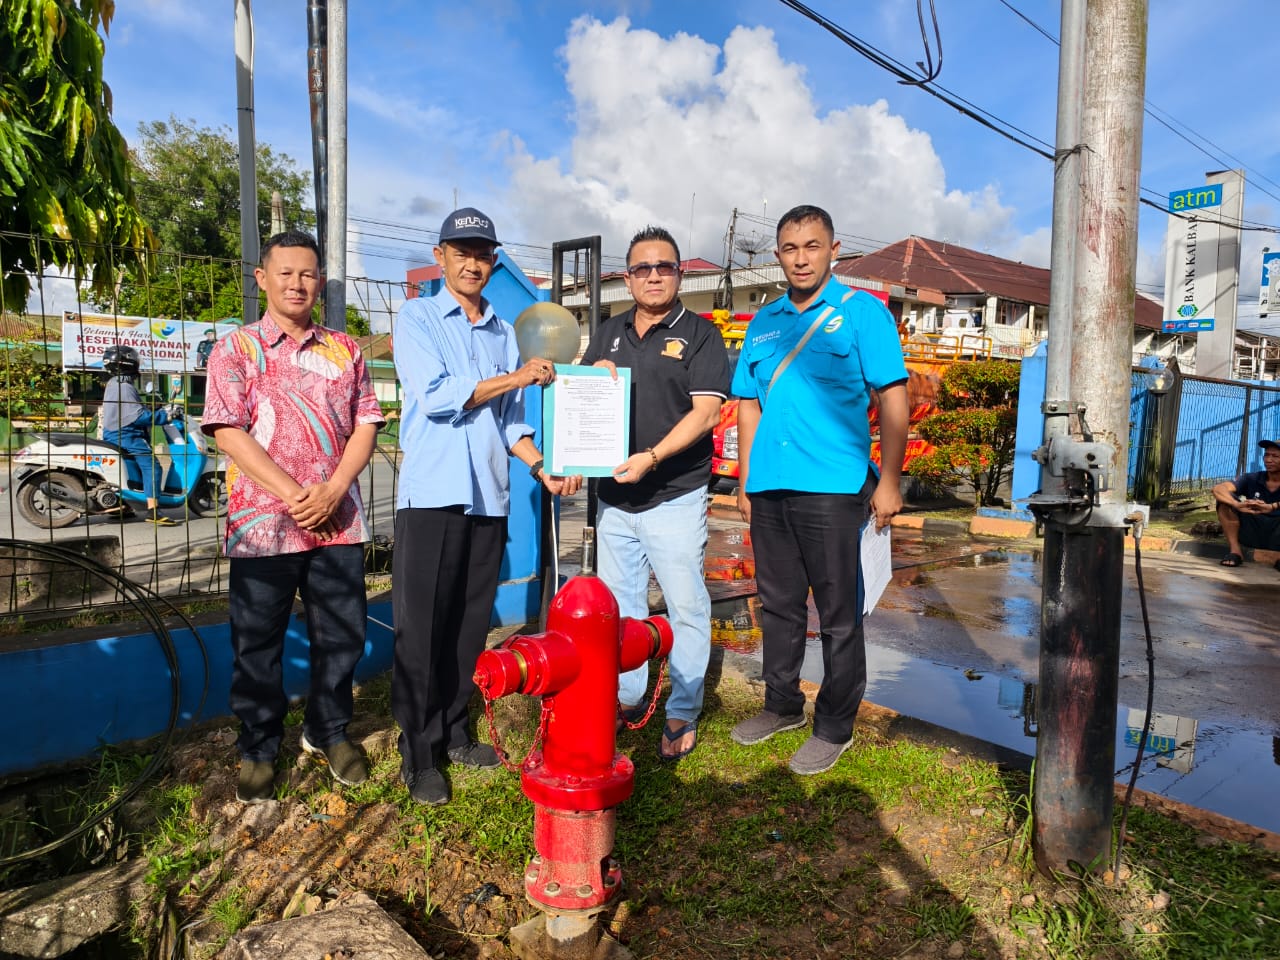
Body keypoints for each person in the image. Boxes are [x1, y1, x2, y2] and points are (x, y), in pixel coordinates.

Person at [392, 207, 581, 806]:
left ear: (493, 262)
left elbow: (509, 423)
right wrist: (516, 377)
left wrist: (541, 467)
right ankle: (418, 753)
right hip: (433, 497)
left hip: (487, 499)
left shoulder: (502, 331)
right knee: (423, 630)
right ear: (441, 257)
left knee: (469, 626)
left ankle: (453, 732)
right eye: (461, 252)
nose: (472, 263)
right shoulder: (418, 317)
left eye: (482, 254)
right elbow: (438, 397)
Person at [202, 230, 385, 804]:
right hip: (262, 527)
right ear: (263, 278)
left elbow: (367, 423)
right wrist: (294, 495)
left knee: (343, 635)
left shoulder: (346, 350)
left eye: (307, 274)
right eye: (285, 273)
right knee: (257, 642)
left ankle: (328, 730)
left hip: (337, 522)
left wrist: (334, 490)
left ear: (320, 281)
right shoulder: (236, 349)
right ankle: (259, 746)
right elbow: (227, 431)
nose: (297, 284)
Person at [729, 204, 910, 775]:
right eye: (790, 248)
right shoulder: (764, 322)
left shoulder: (861, 313)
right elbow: (748, 406)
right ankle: (781, 704)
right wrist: (745, 480)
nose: (801, 258)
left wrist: (889, 480)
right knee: (778, 605)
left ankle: (834, 725)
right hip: (770, 487)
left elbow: (893, 397)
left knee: (838, 613)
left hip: (834, 487)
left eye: (812, 246)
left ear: (834, 250)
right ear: (778, 256)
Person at [581, 225, 730, 761]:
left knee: (685, 606)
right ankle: (627, 698)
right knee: (621, 608)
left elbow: (706, 413)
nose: (653, 276)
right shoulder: (608, 331)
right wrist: (592, 377)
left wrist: (652, 457)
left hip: (675, 495)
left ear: (679, 274)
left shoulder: (701, 335)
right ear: (627, 278)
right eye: (642, 268)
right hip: (614, 500)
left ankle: (682, 709)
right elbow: (583, 401)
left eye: (664, 266)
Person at [100, 344, 175, 525]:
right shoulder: (125, 387)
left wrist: (152, 409)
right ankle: (153, 511)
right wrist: (165, 416)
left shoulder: (114, 383)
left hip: (113, 432)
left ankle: (124, 505)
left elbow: (130, 410)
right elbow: (138, 417)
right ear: (128, 363)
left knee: (129, 467)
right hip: (127, 435)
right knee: (152, 466)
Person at [1212, 439, 1280, 567]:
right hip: (1252, 531)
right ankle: (1235, 552)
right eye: (1266, 455)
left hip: (1276, 534)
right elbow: (1218, 489)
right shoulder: (1251, 478)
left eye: (1275, 456)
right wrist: (1236, 504)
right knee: (1224, 502)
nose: (1268, 460)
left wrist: (1272, 507)